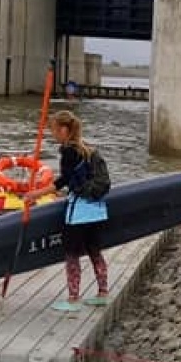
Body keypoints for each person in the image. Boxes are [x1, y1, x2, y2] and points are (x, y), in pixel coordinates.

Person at [22, 111, 111, 310]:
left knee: (72, 254)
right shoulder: (87, 149)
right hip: (97, 210)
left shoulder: (68, 152)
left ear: (64, 130)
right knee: (95, 252)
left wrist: (34, 195)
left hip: (78, 212)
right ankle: (103, 292)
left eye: (53, 130)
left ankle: (73, 299)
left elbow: (62, 182)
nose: (53, 135)